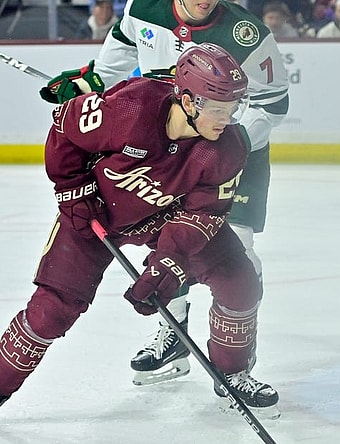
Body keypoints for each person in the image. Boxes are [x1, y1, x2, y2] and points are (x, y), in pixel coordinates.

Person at [0, 43, 279, 417]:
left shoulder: (226, 149)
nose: (225, 119)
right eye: (217, 108)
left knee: (240, 281)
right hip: (95, 213)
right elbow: (64, 124)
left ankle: (232, 374)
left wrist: (167, 263)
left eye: (232, 108)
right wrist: (72, 191)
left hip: (167, 215)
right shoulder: (133, 107)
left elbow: (203, 214)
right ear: (187, 99)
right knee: (51, 310)